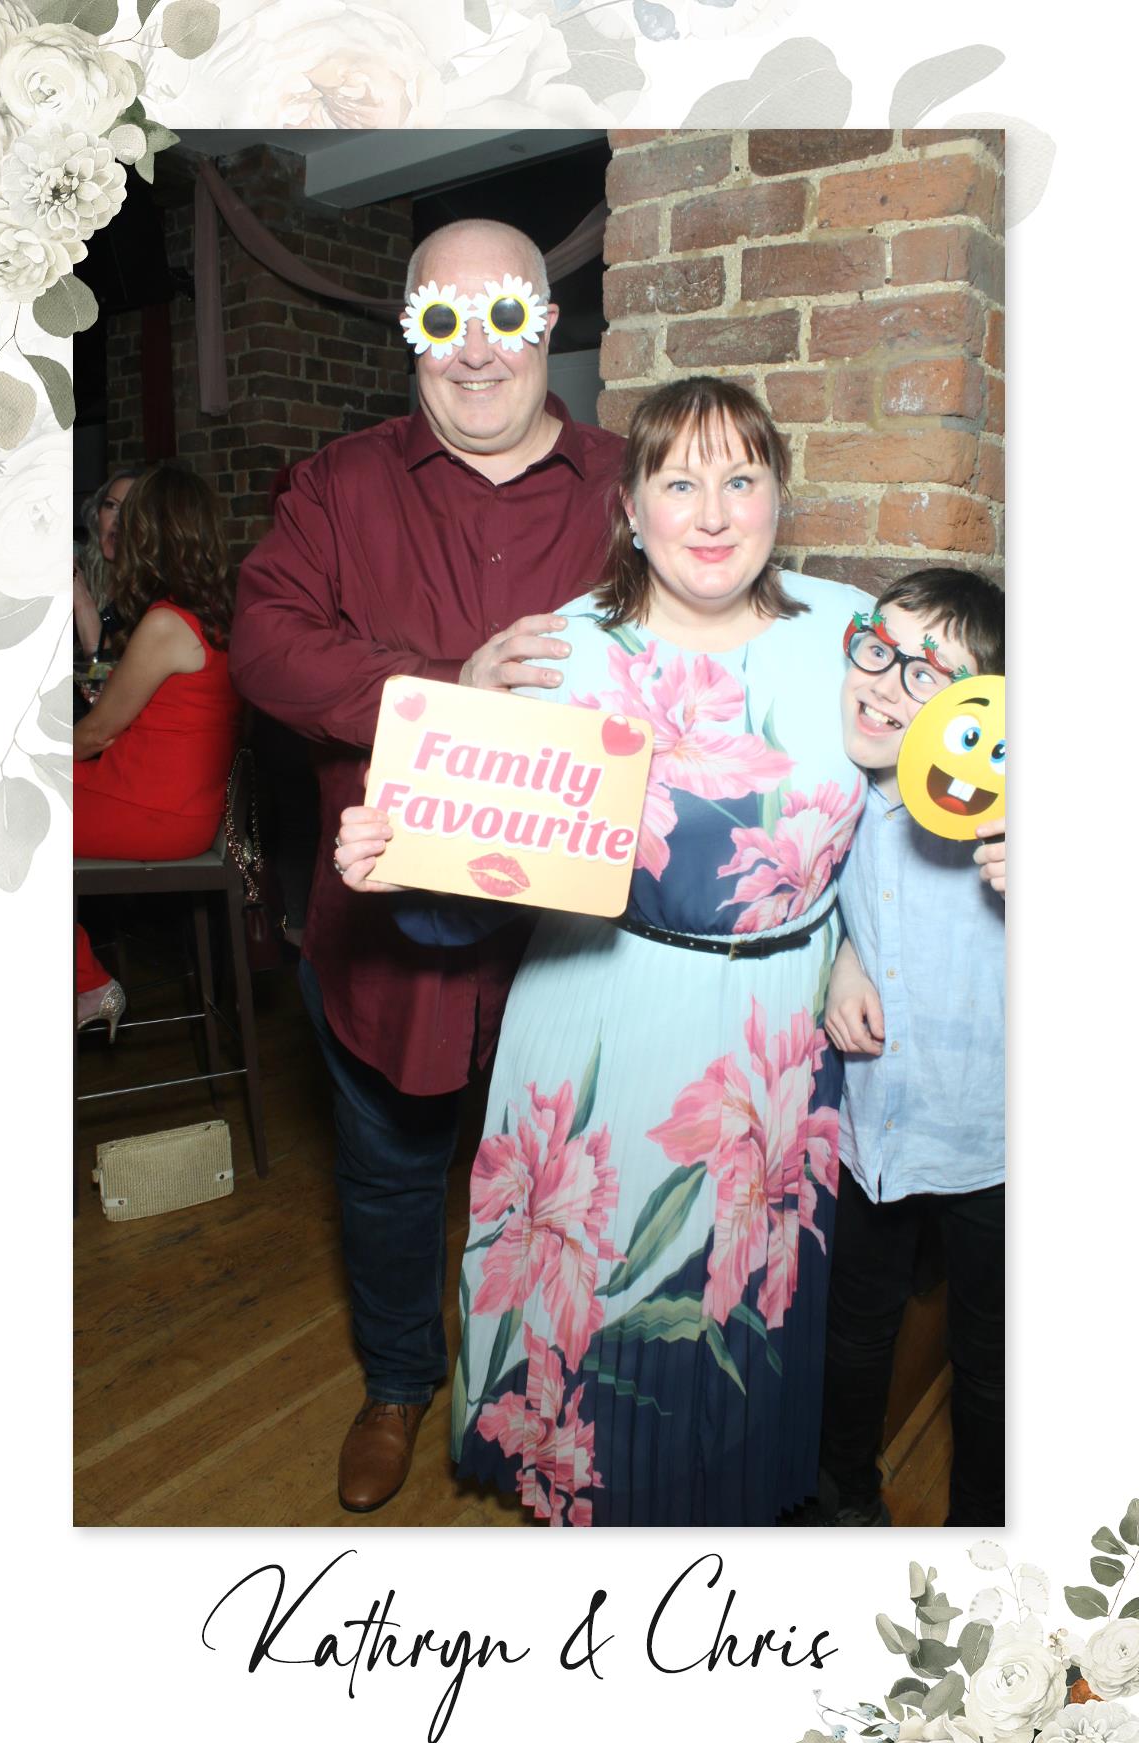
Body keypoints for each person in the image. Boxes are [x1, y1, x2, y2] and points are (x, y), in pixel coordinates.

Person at [337, 375, 877, 1526]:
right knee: (603, 1303)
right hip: (601, 1016)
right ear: (632, 508)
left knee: (734, 1307)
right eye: (681, 482)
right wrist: (402, 859)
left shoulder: (853, 636)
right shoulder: (559, 653)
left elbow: (897, 830)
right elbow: (475, 896)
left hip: (775, 1043)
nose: (716, 512)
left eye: (743, 478)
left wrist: (853, 947)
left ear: (783, 493)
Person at [228, 219, 624, 1513]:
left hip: (575, 943)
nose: (473, 354)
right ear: (410, 333)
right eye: (440, 322)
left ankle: (555, 1398)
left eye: (501, 316)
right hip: (387, 937)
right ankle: (398, 1383)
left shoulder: (630, 487)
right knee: (391, 1175)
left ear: (547, 324)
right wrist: (438, 687)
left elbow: (715, 641)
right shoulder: (338, 486)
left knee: (567, 1182)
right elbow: (270, 647)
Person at [815, 568, 1005, 1526]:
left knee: (994, 1364)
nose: (888, 681)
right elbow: (827, 912)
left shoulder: (1006, 822)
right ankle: (843, 1495)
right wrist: (842, 962)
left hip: (995, 1148)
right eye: (879, 648)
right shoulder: (836, 793)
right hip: (874, 1132)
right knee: (852, 1337)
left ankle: (987, 1537)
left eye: (929, 675)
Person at [74, 465, 243, 1033]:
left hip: (156, 810)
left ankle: (86, 984)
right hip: (178, 806)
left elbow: (97, 732)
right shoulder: (216, 615)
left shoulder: (167, 623)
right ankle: (79, 979)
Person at [73, 467, 144, 660]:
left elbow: (105, 679)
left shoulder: (153, 596)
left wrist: (82, 601)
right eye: (111, 505)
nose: (117, 519)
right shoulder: (88, 572)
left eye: (131, 509)